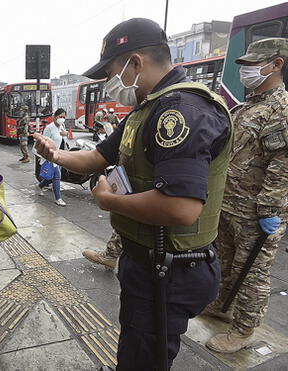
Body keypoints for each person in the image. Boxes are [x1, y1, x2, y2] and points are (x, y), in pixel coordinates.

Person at [34, 18, 232, 369]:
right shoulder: (147, 107)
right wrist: (57, 155)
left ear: (135, 63)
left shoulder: (180, 111)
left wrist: (109, 201)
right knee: (136, 346)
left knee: (145, 355)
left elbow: (181, 208)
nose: (110, 83)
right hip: (146, 260)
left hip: (171, 269)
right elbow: (98, 156)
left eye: (111, 72)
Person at [202, 38, 288, 354]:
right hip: (230, 203)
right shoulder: (249, 105)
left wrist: (269, 208)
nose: (247, 70)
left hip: (257, 211)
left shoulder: (281, 109)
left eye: (253, 64)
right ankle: (222, 305)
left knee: (251, 272)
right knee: (224, 261)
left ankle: (243, 330)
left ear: (276, 64)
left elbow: (282, 163)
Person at [37, 108, 68, 206]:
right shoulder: (49, 128)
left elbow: (64, 140)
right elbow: (43, 142)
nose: (62, 119)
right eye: (60, 117)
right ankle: (58, 198)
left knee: (51, 177)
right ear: (55, 117)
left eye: (64, 117)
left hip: (59, 155)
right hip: (50, 156)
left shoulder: (62, 126)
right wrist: (46, 157)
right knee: (57, 177)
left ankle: (40, 185)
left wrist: (65, 134)